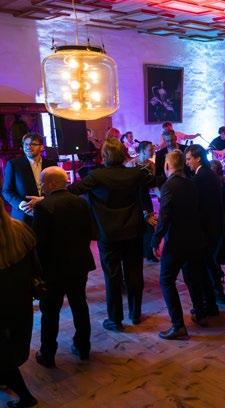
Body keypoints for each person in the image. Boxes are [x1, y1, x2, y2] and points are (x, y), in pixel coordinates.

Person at [68, 138, 154, 332]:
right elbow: (154, 181)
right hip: (133, 232)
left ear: (104, 155)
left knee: (112, 277)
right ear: (123, 154)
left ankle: (115, 320)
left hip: (108, 234)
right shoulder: (135, 174)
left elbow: (73, 190)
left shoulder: (96, 176)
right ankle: (135, 314)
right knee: (134, 273)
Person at [32, 167, 95, 367]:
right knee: (80, 306)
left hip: (54, 269)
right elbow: (91, 232)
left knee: (50, 313)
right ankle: (83, 348)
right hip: (79, 265)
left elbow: (39, 245)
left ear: (51, 183)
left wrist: (37, 271)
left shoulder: (43, 207)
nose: (41, 186)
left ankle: (47, 354)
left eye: (42, 183)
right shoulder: (81, 202)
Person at [152, 150, 209, 339]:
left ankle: (178, 325)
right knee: (192, 278)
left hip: (177, 241)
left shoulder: (169, 186)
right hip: (195, 238)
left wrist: (156, 239)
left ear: (167, 165)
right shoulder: (191, 183)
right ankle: (200, 314)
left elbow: (164, 216)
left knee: (166, 280)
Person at [0, 197, 39, 408]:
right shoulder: (20, 230)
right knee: (11, 350)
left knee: (4, 355)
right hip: (21, 303)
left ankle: (26, 398)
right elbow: (35, 269)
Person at [185, 144, 225, 307]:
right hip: (215, 225)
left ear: (198, 158)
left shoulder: (199, 177)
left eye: (189, 159)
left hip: (206, 227)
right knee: (210, 261)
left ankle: (212, 297)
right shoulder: (210, 174)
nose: (187, 162)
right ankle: (217, 294)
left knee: (206, 263)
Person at [2, 132, 55, 225]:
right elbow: (6, 191)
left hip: (48, 212)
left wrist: (43, 199)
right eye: (26, 144)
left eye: (33, 144)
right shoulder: (13, 164)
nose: (28, 147)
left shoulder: (51, 164)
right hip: (24, 216)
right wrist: (21, 204)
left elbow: (57, 189)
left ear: (42, 147)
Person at [127, 141, 157, 262]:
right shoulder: (131, 164)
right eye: (150, 149)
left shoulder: (152, 165)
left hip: (145, 198)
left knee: (149, 225)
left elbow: (153, 185)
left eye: (153, 149)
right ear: (142, 151)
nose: (153, 151)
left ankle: (149, 253)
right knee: (136, 225)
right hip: (134, 199)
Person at [210, 159, 225, 271]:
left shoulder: (216, 183)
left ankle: (216, 271)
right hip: (223, 216)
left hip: (218, 216)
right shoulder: (222, 181)